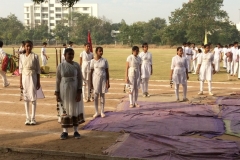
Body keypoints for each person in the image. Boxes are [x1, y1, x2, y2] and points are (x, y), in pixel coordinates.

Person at [55, 48, 84, 140]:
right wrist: (57, 93)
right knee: (65, 109)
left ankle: (76, 130)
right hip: (64, 90)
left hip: (74, 89)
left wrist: (79, 91)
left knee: (74, 108)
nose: (70, 56)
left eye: (72, 54)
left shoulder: (76, 65)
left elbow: (80, 78)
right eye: (69, 54)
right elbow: (57, 80)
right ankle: (65, 131)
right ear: (64, 55)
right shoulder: (61, 66)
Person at [19, 40, 41, 125]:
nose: (28, 48)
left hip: (33, 77)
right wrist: (20, 83)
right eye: (27, 46)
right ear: (24, 47)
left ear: (32, 47)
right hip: (24, 78)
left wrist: (38, 82)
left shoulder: (35, 56)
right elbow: (20, 70)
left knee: (33, 98)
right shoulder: (21, 56)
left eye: (30, 46)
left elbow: (38, 70)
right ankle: (27, 117)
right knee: (26, 98)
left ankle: (33, 118)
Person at [90, 47, 110, 118]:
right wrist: (90, 83)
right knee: (95, 95)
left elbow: (107, 72)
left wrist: (108, 82)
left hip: (103, 79)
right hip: (95, 79)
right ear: (96, 52)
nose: (101, 52)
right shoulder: (92, 61)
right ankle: (96, 111)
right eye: (99, 51)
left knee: (102, 95)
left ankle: (102, 111)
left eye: (102, 51)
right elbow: (91, 72)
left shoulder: (104, 60)